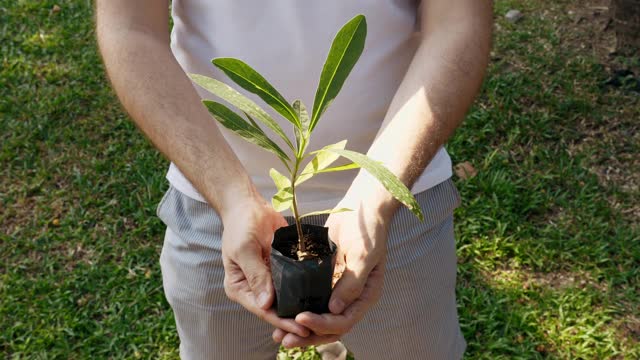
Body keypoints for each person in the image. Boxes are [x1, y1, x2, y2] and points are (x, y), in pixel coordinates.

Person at [96, 0, 492, 359]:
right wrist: (232, 198)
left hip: (396, 199)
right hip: (214, 204)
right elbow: (129, 27)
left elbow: (458, 22)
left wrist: (377, 195)